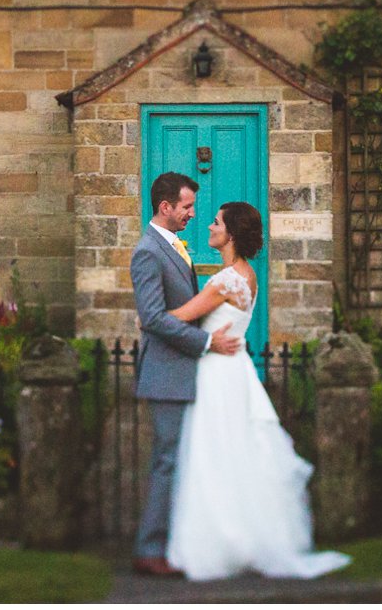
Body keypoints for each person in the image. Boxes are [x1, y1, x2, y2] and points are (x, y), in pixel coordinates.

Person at [163, 201, 351, 581]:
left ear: (230, 234)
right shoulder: (247, 276)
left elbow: (181, 317)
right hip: (236, 370)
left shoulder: (226, 281)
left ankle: (219, 543)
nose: (210, 226)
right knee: (234, 453)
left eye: (216, 222)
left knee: (214, 455)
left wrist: (146, 315)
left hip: (218, 373)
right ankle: (240, 537)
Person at [130, 172, 242, 578]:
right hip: (167, 374)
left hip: (184, 374)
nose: (193, 213)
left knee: (182, 461)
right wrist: (207, 343)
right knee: (166, 462)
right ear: (166, 207)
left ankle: (177, 543)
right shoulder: (147, 252)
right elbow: (154, 319)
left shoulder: (172, 248)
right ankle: (149, 550)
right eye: (188, 207)